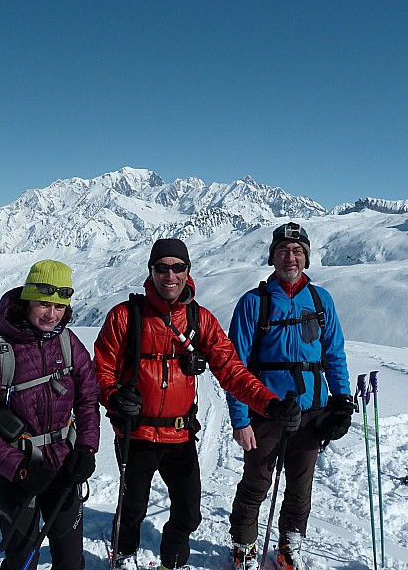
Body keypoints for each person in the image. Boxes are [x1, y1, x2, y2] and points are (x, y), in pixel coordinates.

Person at [94, 238, 300, 570]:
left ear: (188, 271)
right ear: (151, 271)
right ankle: (124, 553)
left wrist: (270, 404)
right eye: (162, 268)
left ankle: (171, 562)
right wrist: (115, 397)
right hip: (136, 434)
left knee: (189, 513)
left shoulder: (199, 319)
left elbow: (231, 370)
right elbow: (101, 370)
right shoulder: (126, 316)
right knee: (132, 506)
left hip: (179, 435)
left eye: (177, 267)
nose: (170, 275)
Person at [226, 223, 353, 570]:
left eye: (297, 251)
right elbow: (233, 366)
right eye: (283, 250)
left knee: (301, 485)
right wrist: (240, 420)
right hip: (265, 411)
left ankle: (290, 541)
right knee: (256, 483)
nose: (290, 257)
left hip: (312, 411)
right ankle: (244, 545)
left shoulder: (320, 300)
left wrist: (341, 401)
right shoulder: (255, 303)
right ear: (272, 256)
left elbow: (334, 355)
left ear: (307, 257)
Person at [0, 260, 100, 570]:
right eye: (43, 304)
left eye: (59, 305)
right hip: (16, 474)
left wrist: (87, 448)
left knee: (71, 559)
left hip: (64, 468)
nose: (51, 314)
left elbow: (89, 398)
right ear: (27, 300)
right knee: (23, 559)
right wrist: (20, 468)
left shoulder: (68, 343)